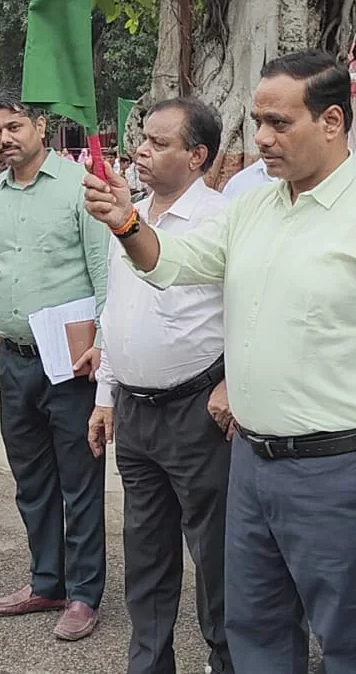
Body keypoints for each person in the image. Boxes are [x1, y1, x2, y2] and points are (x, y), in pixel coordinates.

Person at [82, 51, 356, 673]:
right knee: (254, 630)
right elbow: (172, 262)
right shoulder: (252, 207)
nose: (263, 139)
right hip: (250, 463)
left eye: (280, 123)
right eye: (258, 122)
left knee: (348, 641)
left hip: (338, 471)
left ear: (332, 121)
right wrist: (126, 221)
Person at [85, 98, 233, 674]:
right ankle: (148, 664)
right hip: (136, 413)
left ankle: (228, 660)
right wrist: (105, 396)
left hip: (200, 411)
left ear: (197, 156)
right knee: (145, 556)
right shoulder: (129, 216)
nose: (141, 151)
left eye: (159, 143)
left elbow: (246, 315)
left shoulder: (222, 220)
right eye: (141, 139)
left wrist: (232, 384)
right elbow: (116, 311)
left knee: (216, 556)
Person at [0, 88, 109, 643]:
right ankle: (46, 579)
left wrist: (106, 350)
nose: (4, 139)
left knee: (79, 480)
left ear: (41, 128)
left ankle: (84, 593)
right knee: (31, 480)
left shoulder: (80, 187)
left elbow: (104, 277)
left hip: (71, 361)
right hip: (17, 359)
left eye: (14, 127)